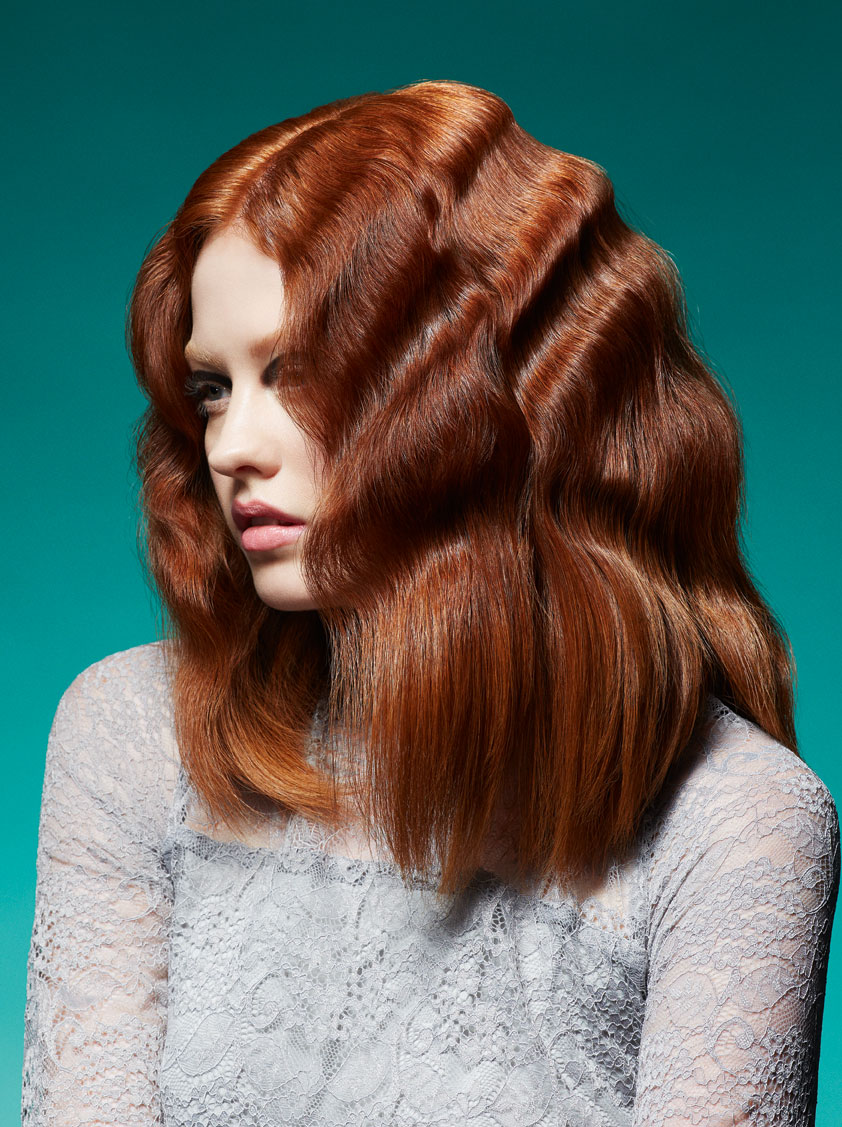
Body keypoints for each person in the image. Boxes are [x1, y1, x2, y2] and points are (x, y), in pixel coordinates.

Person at [22, 79, 839, 1126]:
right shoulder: (134, 735)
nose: (231, 445)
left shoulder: (734, 821)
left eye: (298, 374)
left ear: (504, 393)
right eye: (214, 387)